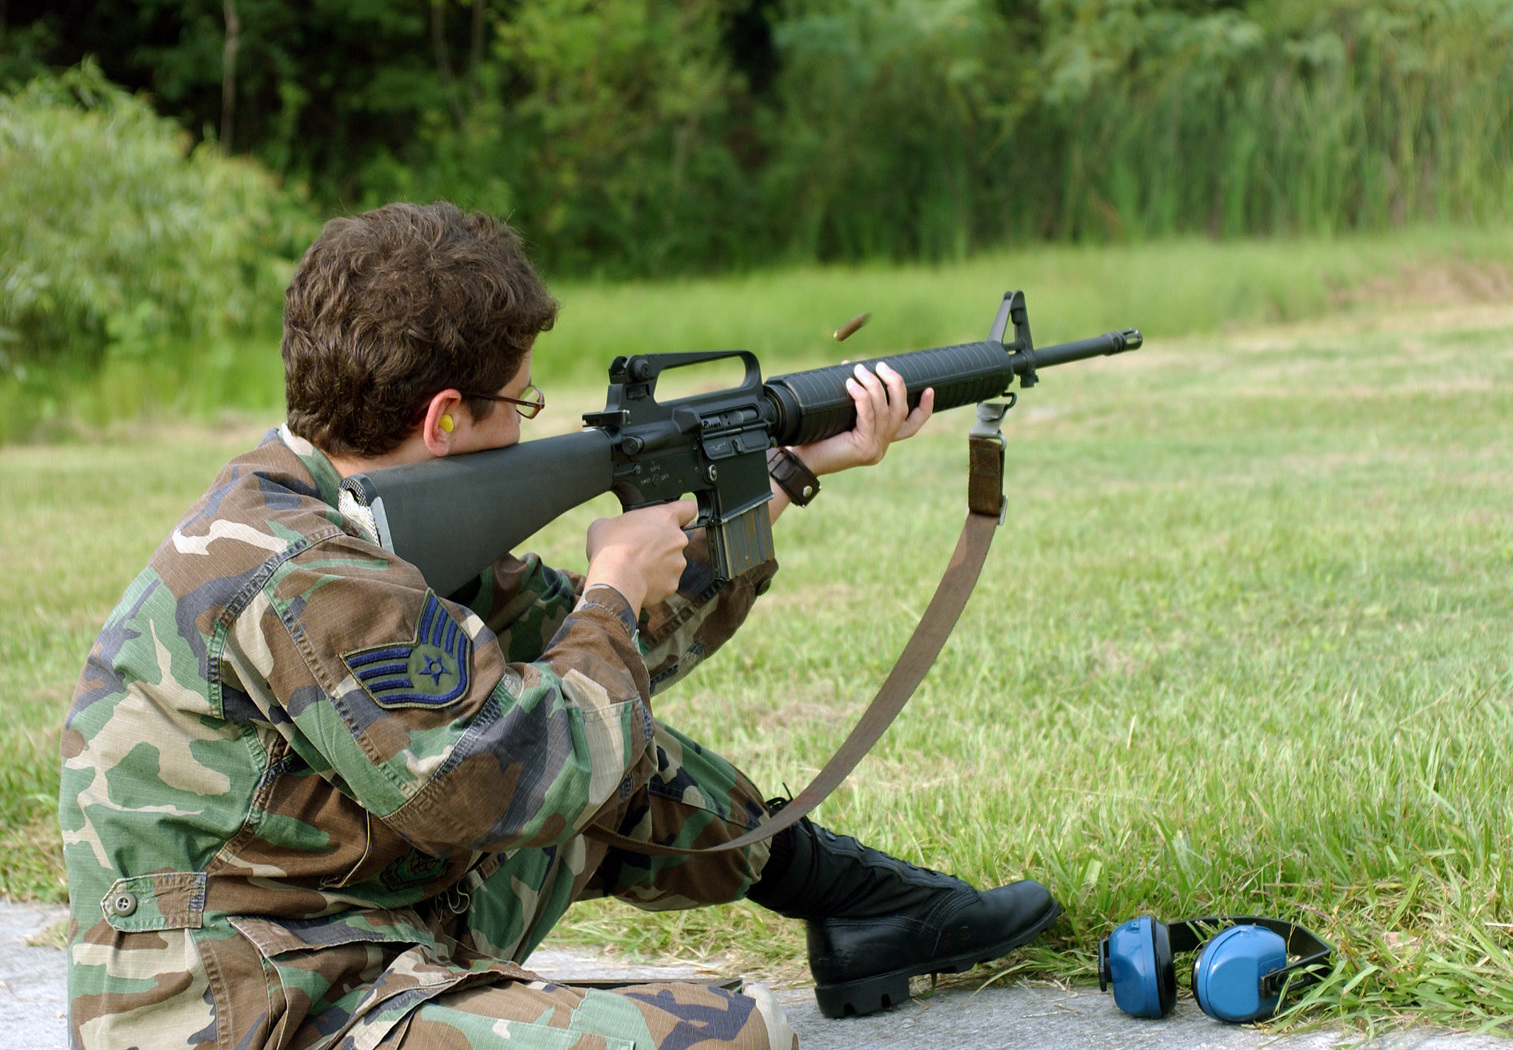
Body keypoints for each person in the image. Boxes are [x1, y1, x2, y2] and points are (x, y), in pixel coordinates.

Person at [59, 201, 1060, 1050]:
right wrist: (610, 592)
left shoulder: (334, 501)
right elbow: (511, 773)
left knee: (617, 754)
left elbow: (591, 667)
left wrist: (788, 469)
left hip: (339, 919)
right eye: (522, 400)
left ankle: (872, 911)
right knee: (730, 1032)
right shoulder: (300, 569)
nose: (532, 421)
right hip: (249, 1009)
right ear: (447, 416)